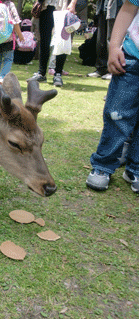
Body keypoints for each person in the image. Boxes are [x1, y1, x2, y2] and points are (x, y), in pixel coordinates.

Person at [86, 0, 139, 194]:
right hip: (132, 59)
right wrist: (114, 46)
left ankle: (136, 168)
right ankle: (103, 165)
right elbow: (128, 9)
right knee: (117, 115)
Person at [26, 0, 77, 87]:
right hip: (46, 5)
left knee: (62, 39)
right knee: (44, 40)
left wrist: (73, 3)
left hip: (63, 6)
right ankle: (41, 74)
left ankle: (58, 74)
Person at [0, 0, 24, 84]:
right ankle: (2, 77)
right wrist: (20, 34)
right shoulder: (9, 5)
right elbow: (16, 21)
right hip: (8, 37)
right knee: (8, 59)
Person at [87, 0, 123, 80]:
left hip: (116, 6)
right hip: (103, 7)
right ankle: (101, 69)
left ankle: (113, 70)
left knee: (111, 39)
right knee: (101, 40)